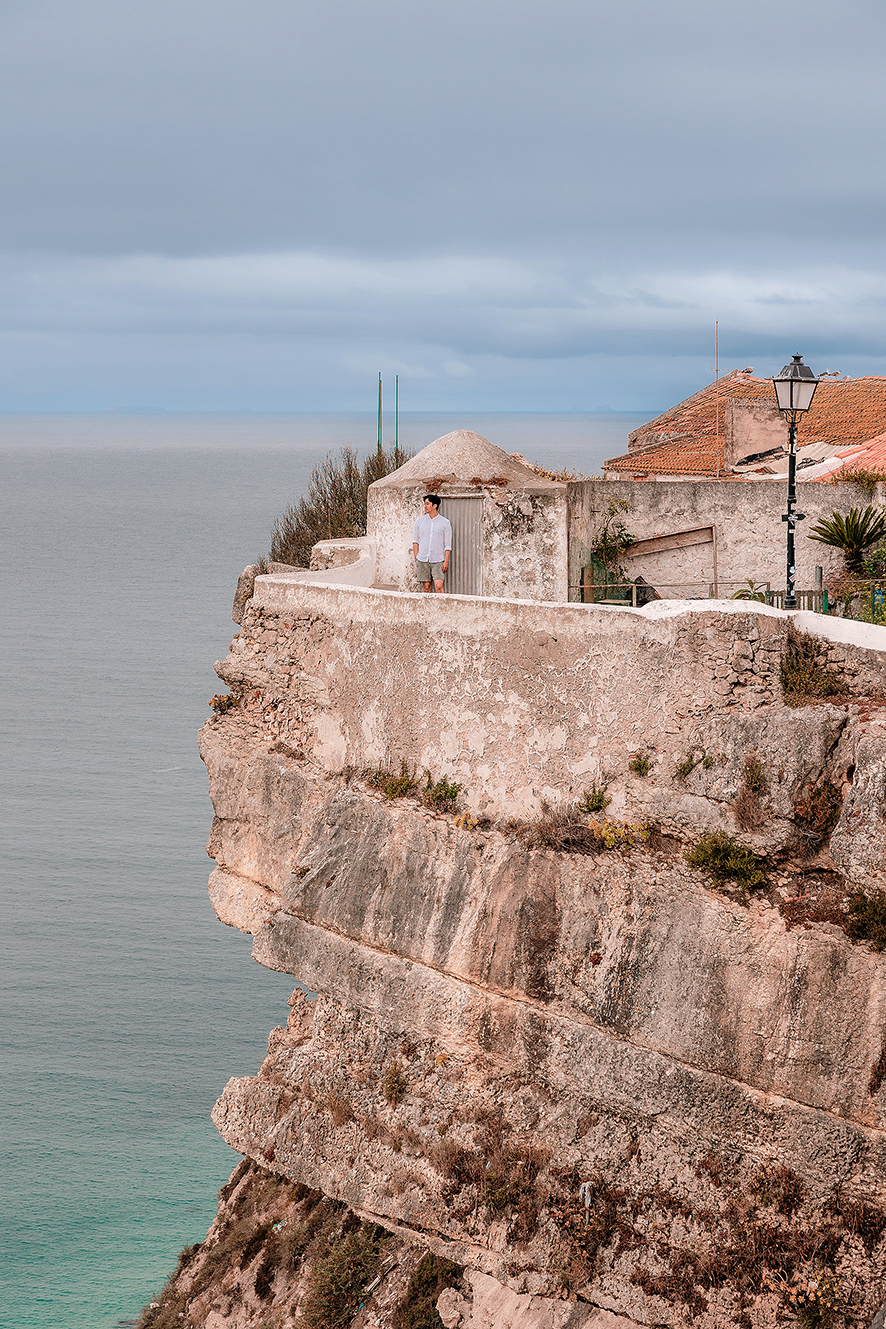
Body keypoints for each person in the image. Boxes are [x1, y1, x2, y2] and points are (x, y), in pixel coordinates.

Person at [412, 494, 452, 593]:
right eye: (425, 504)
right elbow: (415, 541)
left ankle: (442, 608)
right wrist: (416, 558)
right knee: (426, 588)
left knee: (438, 586)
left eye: (427, 504)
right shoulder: (419, 521)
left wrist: (446, 561)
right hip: (422, 560)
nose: (425, 506)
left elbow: (447, 544)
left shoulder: (445, 523)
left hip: (438, 560)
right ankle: (426, 609)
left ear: (434, 506)